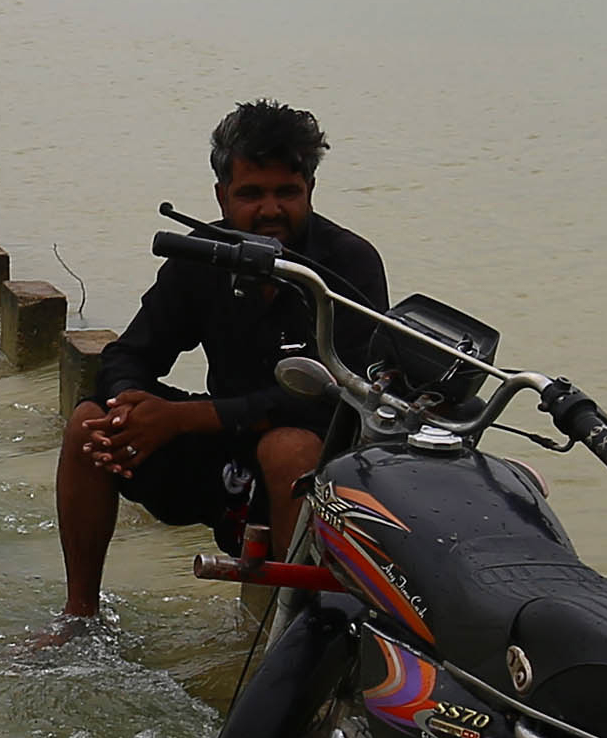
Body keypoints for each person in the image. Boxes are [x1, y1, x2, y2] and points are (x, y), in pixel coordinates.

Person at [54, 100, 389, 622]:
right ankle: (80, 618)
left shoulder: (350, 265)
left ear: (311, 192)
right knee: (88, 425)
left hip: (307, 467)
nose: (270, 211)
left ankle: (290, 644)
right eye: (251, 194)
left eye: (287, 193)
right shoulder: (204, 255)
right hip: (221, 458)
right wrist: (129, 409)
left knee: (289, 448)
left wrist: (183, 418)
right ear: (221, 196)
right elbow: (131, 353)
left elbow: (338, 401)